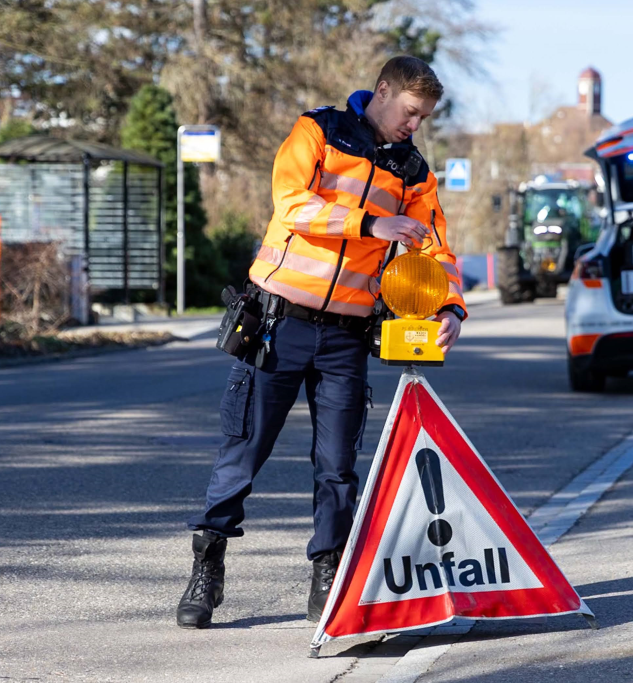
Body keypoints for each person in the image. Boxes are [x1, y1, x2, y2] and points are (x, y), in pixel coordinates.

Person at [176, 56, 468, 630]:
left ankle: (328, 576)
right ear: (382, 92)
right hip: (276, 325)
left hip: (345, 338)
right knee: (243, 453)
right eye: (411, 113)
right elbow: (291, 204)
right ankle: (207, 568)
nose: (416, 126)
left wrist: (451, 304)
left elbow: (434, 246)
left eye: (424, 118)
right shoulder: (319, 132)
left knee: (337, 468)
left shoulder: (412, 171)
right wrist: (370, 224)